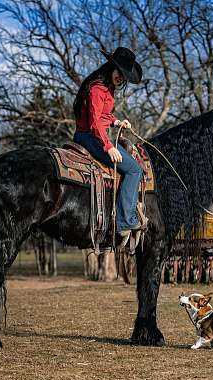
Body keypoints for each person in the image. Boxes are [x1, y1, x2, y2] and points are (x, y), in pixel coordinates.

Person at [73, 47, 144, 242]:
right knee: (134, 170)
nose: (121, 78)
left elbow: (102, 115)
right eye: (119, 72)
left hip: (93, 134)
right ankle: (124, 221)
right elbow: (95, 122)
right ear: (111, 67)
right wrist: (109, 147)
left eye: (124, 76)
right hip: (89, 137)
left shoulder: (106, 88)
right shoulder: (96, 89)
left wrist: (116, 122)